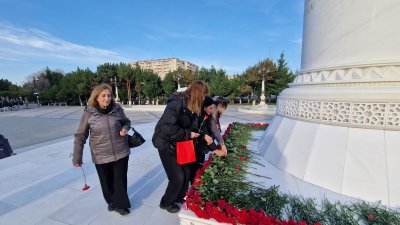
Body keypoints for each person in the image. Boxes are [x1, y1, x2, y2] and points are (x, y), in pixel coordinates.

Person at [72, 84, 132, 216]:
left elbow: (127, 122)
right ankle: (111, 201)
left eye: (109, 95)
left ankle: (121, 205)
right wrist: (77, 157)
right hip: (101, 154)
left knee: (120, 180)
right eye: (103, 95)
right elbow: (80, 135)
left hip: (121, 150)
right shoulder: (89, 113)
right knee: (106, 181)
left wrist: (125, 128)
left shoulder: (117, 109)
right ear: (96, 97)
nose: (107, 98)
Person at [152, 80, 209, 213]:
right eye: (204, 94)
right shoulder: (176, 104)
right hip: (166, 144)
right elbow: (165, 127)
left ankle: (178, 197)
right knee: (177, 177)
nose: (204, 97)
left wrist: (203, 134)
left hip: (181, 144)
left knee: (187, 173)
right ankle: (166, 202)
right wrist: (187, 133)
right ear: (197, 94)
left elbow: (197, 124)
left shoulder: (194, 106)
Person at [189, 96, 227, 184]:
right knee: (191, 170)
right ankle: (191, 190)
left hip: (200, 145)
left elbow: (206, 131)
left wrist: (220, 145)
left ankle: (193, 187)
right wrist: (215, 149)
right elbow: (198, 131)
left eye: (213, 108)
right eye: (210, 108)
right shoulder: (197, 115)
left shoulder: (206, 115)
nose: (211, 111)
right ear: (204, 106)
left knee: (196, 167)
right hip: (194, 146)